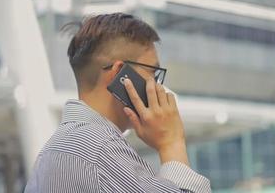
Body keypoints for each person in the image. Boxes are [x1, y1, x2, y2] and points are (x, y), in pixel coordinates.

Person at [24, 13, 211, 193]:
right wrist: (171, 143)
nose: (157, 86)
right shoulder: (99, 149)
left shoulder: (53, 150)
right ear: (122, 75)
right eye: (153, 72)